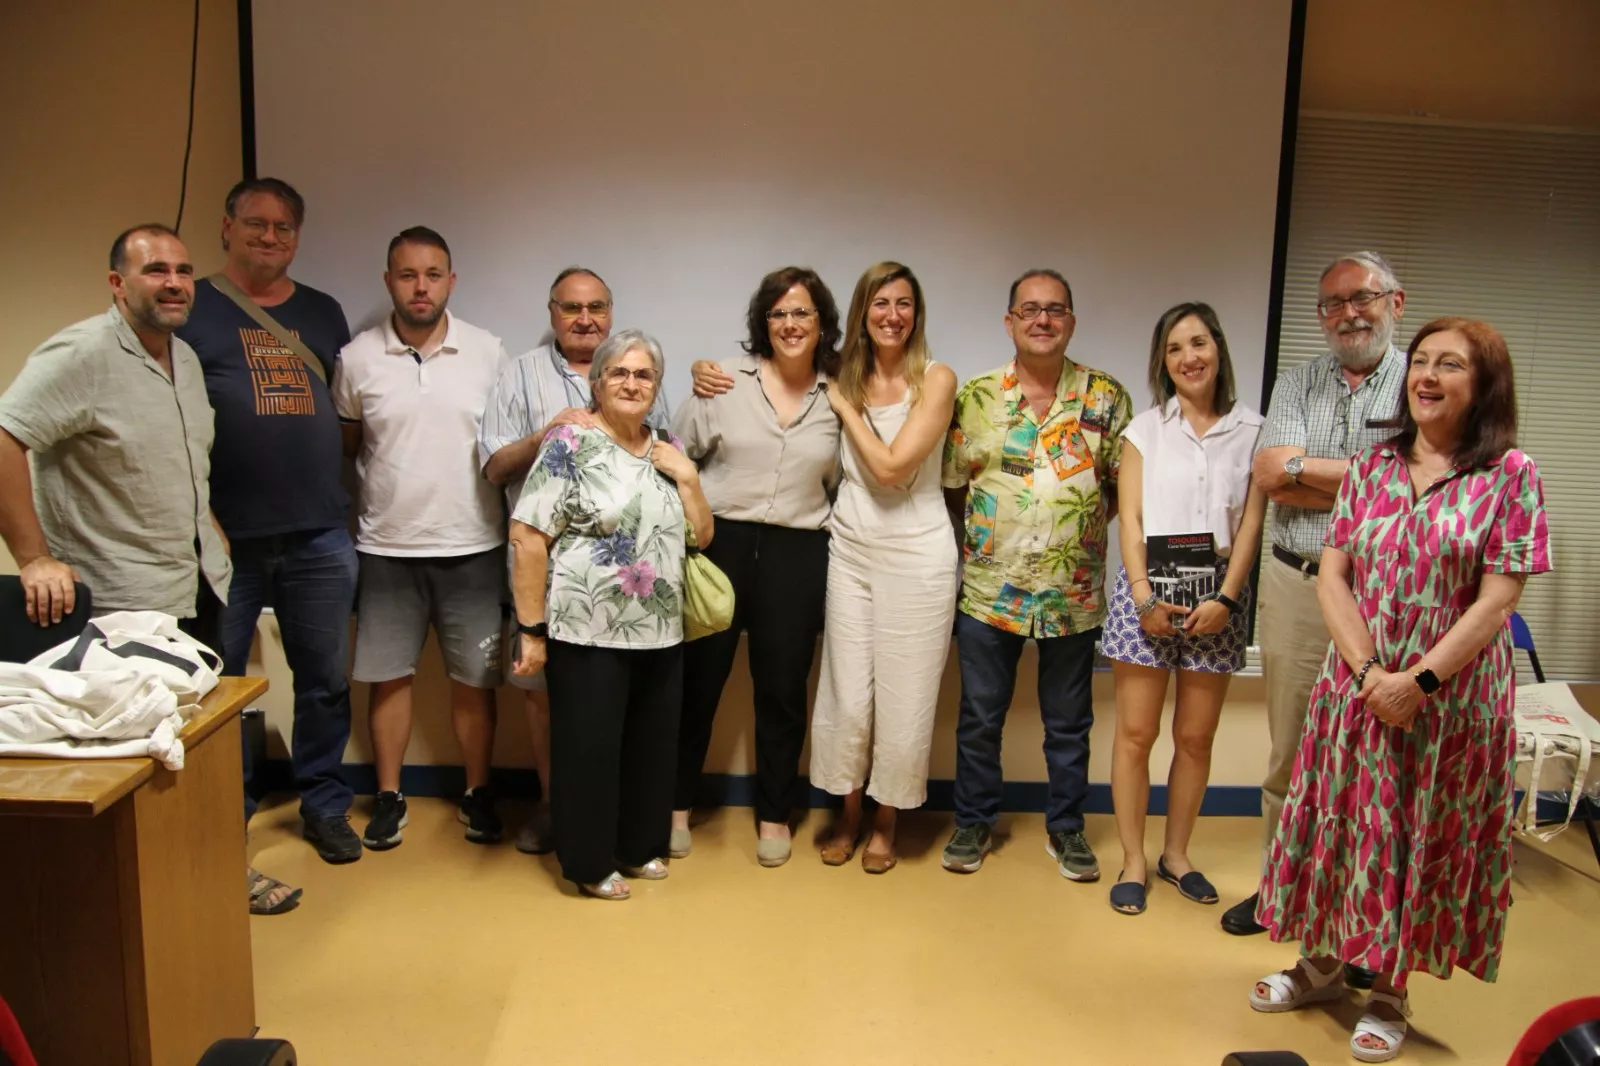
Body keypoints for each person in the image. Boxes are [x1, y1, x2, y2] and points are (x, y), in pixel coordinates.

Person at [1248, 318, 1550, 1063]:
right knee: (1341, 821)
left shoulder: (1510, 474)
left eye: (1450, 365)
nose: (1427, 376)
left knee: (1419, 835)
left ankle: (1389, 989)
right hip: (1357, 685)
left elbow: (1497, 599)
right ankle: (1321, 964)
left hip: (1450, 702)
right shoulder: (1372, 467)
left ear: (1484, 385)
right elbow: (1334, 575)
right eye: (1420, 361)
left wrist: (1419, 682)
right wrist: (1368, 674)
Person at [0, 228, 280, 913]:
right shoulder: (82, 353)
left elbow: (182, 461)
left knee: (206, 743)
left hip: (199, 582)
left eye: (183, 270)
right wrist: (33, 557)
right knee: (145, 758)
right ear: (117, 283)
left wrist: (211, 534)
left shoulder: (183, 357)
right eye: (155, 270)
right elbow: (6, 438)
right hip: (125, 598)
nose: (174, 282)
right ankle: (158, 905)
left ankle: (218, 874)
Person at [1222, 251, 1410, 937]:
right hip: (1296, 583)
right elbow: (1273, 478)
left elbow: (1420, 482)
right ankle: (1281, 892)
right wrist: (1372, 476)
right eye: (1333, 303)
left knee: (1382, 758)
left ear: (1395, 301)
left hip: (1388, 597)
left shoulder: (1422, 381)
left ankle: (1367, 905)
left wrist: (1311, 470)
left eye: (1363, 297)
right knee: (1292, 751)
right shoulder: (1298, 382)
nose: (1348, 314)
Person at [176, 177, 361, 870]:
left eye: (284, 227)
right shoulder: (192, 307)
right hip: (226, 540)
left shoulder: (323, 311)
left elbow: (346, 411)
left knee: (324, 682)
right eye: (255, 223)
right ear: (227, 227)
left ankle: (324, 805)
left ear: (297, 238)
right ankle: (224, 813)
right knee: (217, 686)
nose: (269, 237)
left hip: (319, 533)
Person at [939, 268, 1131, 879]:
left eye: (1055, 310)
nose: (1042, 320)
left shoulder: (1106, 397)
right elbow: (953, 487)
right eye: (1029, 309)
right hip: (989, 590)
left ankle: (1067, 830)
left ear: (1071, 321)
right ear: (1010, 322)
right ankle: (973, 822)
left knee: (1070, 725)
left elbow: (1121, 490)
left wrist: (1073, 531)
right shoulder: (975, 397)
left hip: (1073, 593)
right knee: (980, 719)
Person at [507, 330, 713, 899]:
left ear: (656, 386)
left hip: (660, 630)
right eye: (618, 372)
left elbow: (701, 536)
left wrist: (689, 478)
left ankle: (639, 846)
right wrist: (531, 632)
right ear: (596, 383)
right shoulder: (570, 442)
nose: (631, 383)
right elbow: (527, 537)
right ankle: (589, 863)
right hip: (586, 631)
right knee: (589, 752)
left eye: (643, 374)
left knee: (651, 747)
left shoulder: (667, 446)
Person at [478, 266, 667, 855]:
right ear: (552, 312)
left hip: (637, 609)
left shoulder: (646, 392)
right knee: (551, 706)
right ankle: (554, 808)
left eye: (596, 307)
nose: (584, 319)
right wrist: (547, 434)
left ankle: (610, 828)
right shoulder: (521, 376)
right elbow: (494, 470)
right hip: (554, 583)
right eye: (571, 308)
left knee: (617, 721)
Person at [332, 227, 508, 851]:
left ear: (451, 281)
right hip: (387, 547)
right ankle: (388, 795)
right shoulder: (356, 358)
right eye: (407, 275)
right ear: (389, 281)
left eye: (433, 274)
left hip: (474, 545)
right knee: (387, 677)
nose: (421, 287)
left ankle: (478, 792)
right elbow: (349, 445)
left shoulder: (488, 352)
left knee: (475, 681)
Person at [1100, 303, 1266, 914]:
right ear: (1162, 362)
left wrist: (1227, 598)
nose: (1188, 358)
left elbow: (1251, 526)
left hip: (1217, 595)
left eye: (1198, 343)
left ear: (1218, 348)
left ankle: (1176, 856)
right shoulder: (1144, 430)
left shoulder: (1255, 431)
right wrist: (1143, 596)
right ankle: (1133, 860)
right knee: (1136, 734)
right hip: (1150, 587)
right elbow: (1131, 520)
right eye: (1174, 348)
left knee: (1195, 738)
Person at [674, 267, 842, 866]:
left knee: (782, 689)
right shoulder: (722, 381)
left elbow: (844, 480)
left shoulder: (840, 393)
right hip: (720, 543)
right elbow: (674, 455)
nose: (790, 324)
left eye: (802, 313)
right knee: (697, 681)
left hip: (798, 551)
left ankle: (775, 815)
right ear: (763, 322)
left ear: (821, 322)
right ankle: (674, 805)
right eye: (779, 313)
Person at [808, 262, 958, 873]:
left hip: (919, 555)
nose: (892, 315)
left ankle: (886, 820)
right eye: (880, 303)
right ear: (862, 312)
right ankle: (847, 814)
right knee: (847, 695)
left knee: (905, 697)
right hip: (851, 548)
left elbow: (893, 469)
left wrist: (846, 409)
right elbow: (769, 355)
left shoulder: (937, 378)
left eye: (903, 303)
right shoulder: (840, 371)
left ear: (916, 314)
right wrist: (701, 370)